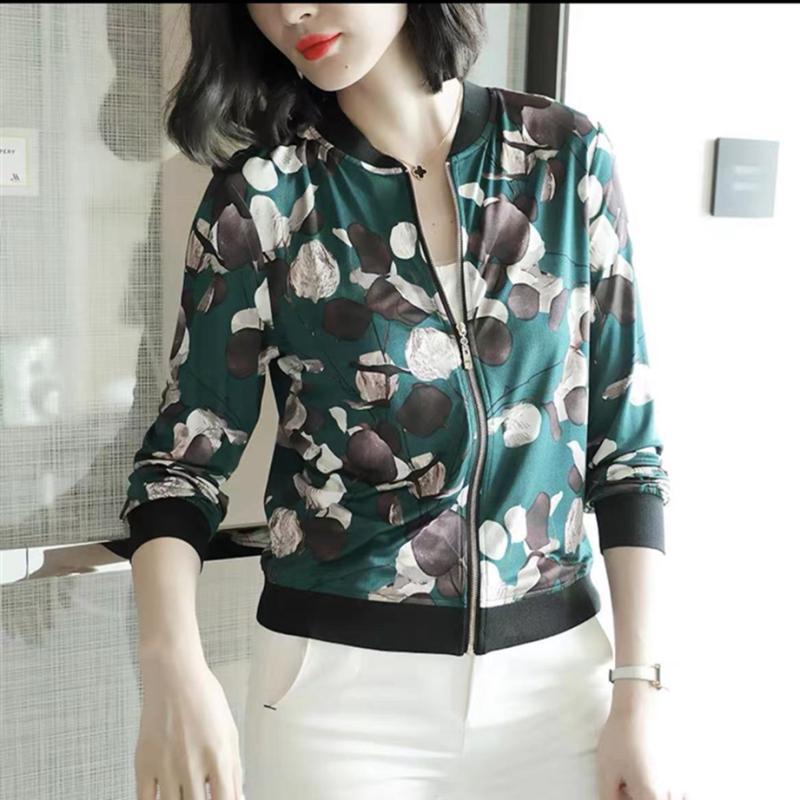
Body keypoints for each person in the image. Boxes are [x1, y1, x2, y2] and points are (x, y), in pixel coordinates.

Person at [118, 4, 688, 800]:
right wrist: (171, 664)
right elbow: (183, 462)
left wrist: (639, 687)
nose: (291, 10)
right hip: (335, 703)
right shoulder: (264, 197)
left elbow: (627, 454)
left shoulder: (566, 157)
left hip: (560, 693)